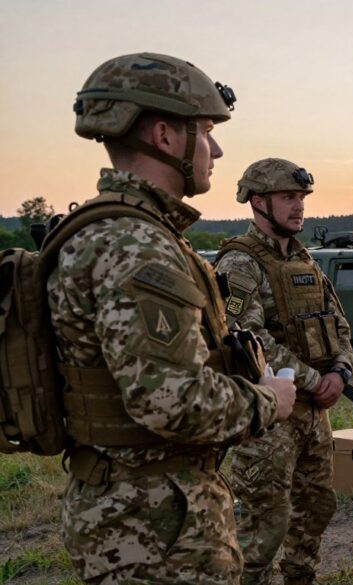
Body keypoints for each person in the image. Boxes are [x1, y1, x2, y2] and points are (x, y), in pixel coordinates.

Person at [53, 52, 295, 584]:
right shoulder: (139, 248)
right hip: (156, 522)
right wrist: (268, 401)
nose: (218, 149)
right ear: (164, 136)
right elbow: (172, 402)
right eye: (206, 131)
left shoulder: (113, 232)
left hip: (137, 508)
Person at [215, 158, 353, 585]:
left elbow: (339, 322)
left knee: (315, 509)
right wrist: (315, 381)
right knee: (265, 526)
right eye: (288, 197)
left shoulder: (305, 261)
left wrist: (341, 371)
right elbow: (247, 338)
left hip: (315, 414)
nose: (299, 207)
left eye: (301, 198)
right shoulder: (239, 263)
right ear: (258, 202)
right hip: (270, 418)